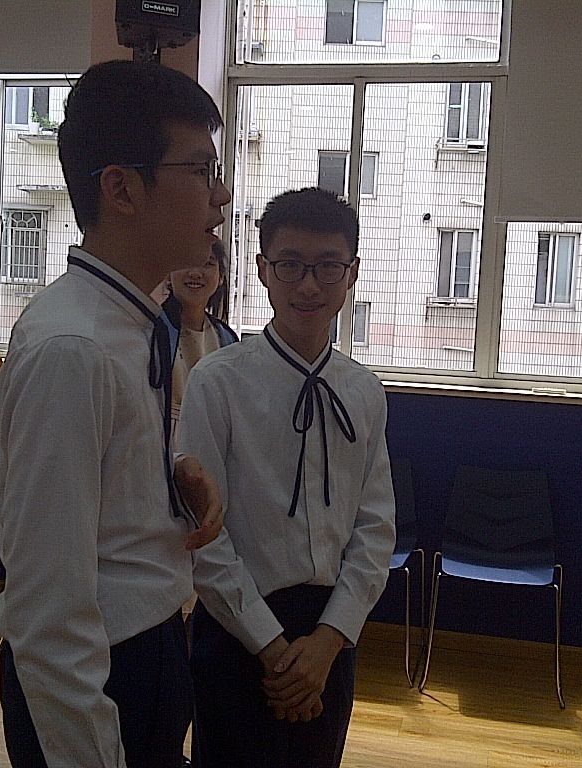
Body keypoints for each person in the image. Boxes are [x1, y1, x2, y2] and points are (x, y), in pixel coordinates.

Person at [0, 59, 229, 768]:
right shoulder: (74, 346)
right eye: (200, 170)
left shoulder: (131, 318)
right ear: (121, 188)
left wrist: (168, 474)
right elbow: (48, 609)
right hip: (97, 668)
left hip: (147, 643)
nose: (220, 195)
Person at [180, 187, 396, 768]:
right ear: (262, 270)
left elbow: (375, 530)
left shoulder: (365, 391)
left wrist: (328, 642)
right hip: (238, 629)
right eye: (290, 265)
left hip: (331, 634)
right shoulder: (217, 381)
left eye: (328, 267)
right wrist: (274, 650)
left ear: (352, 273)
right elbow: (202, 533)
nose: (308, 286)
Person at [161, 240, 238, 440]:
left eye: (208, 263)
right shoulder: (152, 330)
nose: (195, 272)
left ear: (221, 277)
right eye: (186, 261)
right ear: (168, 275)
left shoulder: (227, 338)